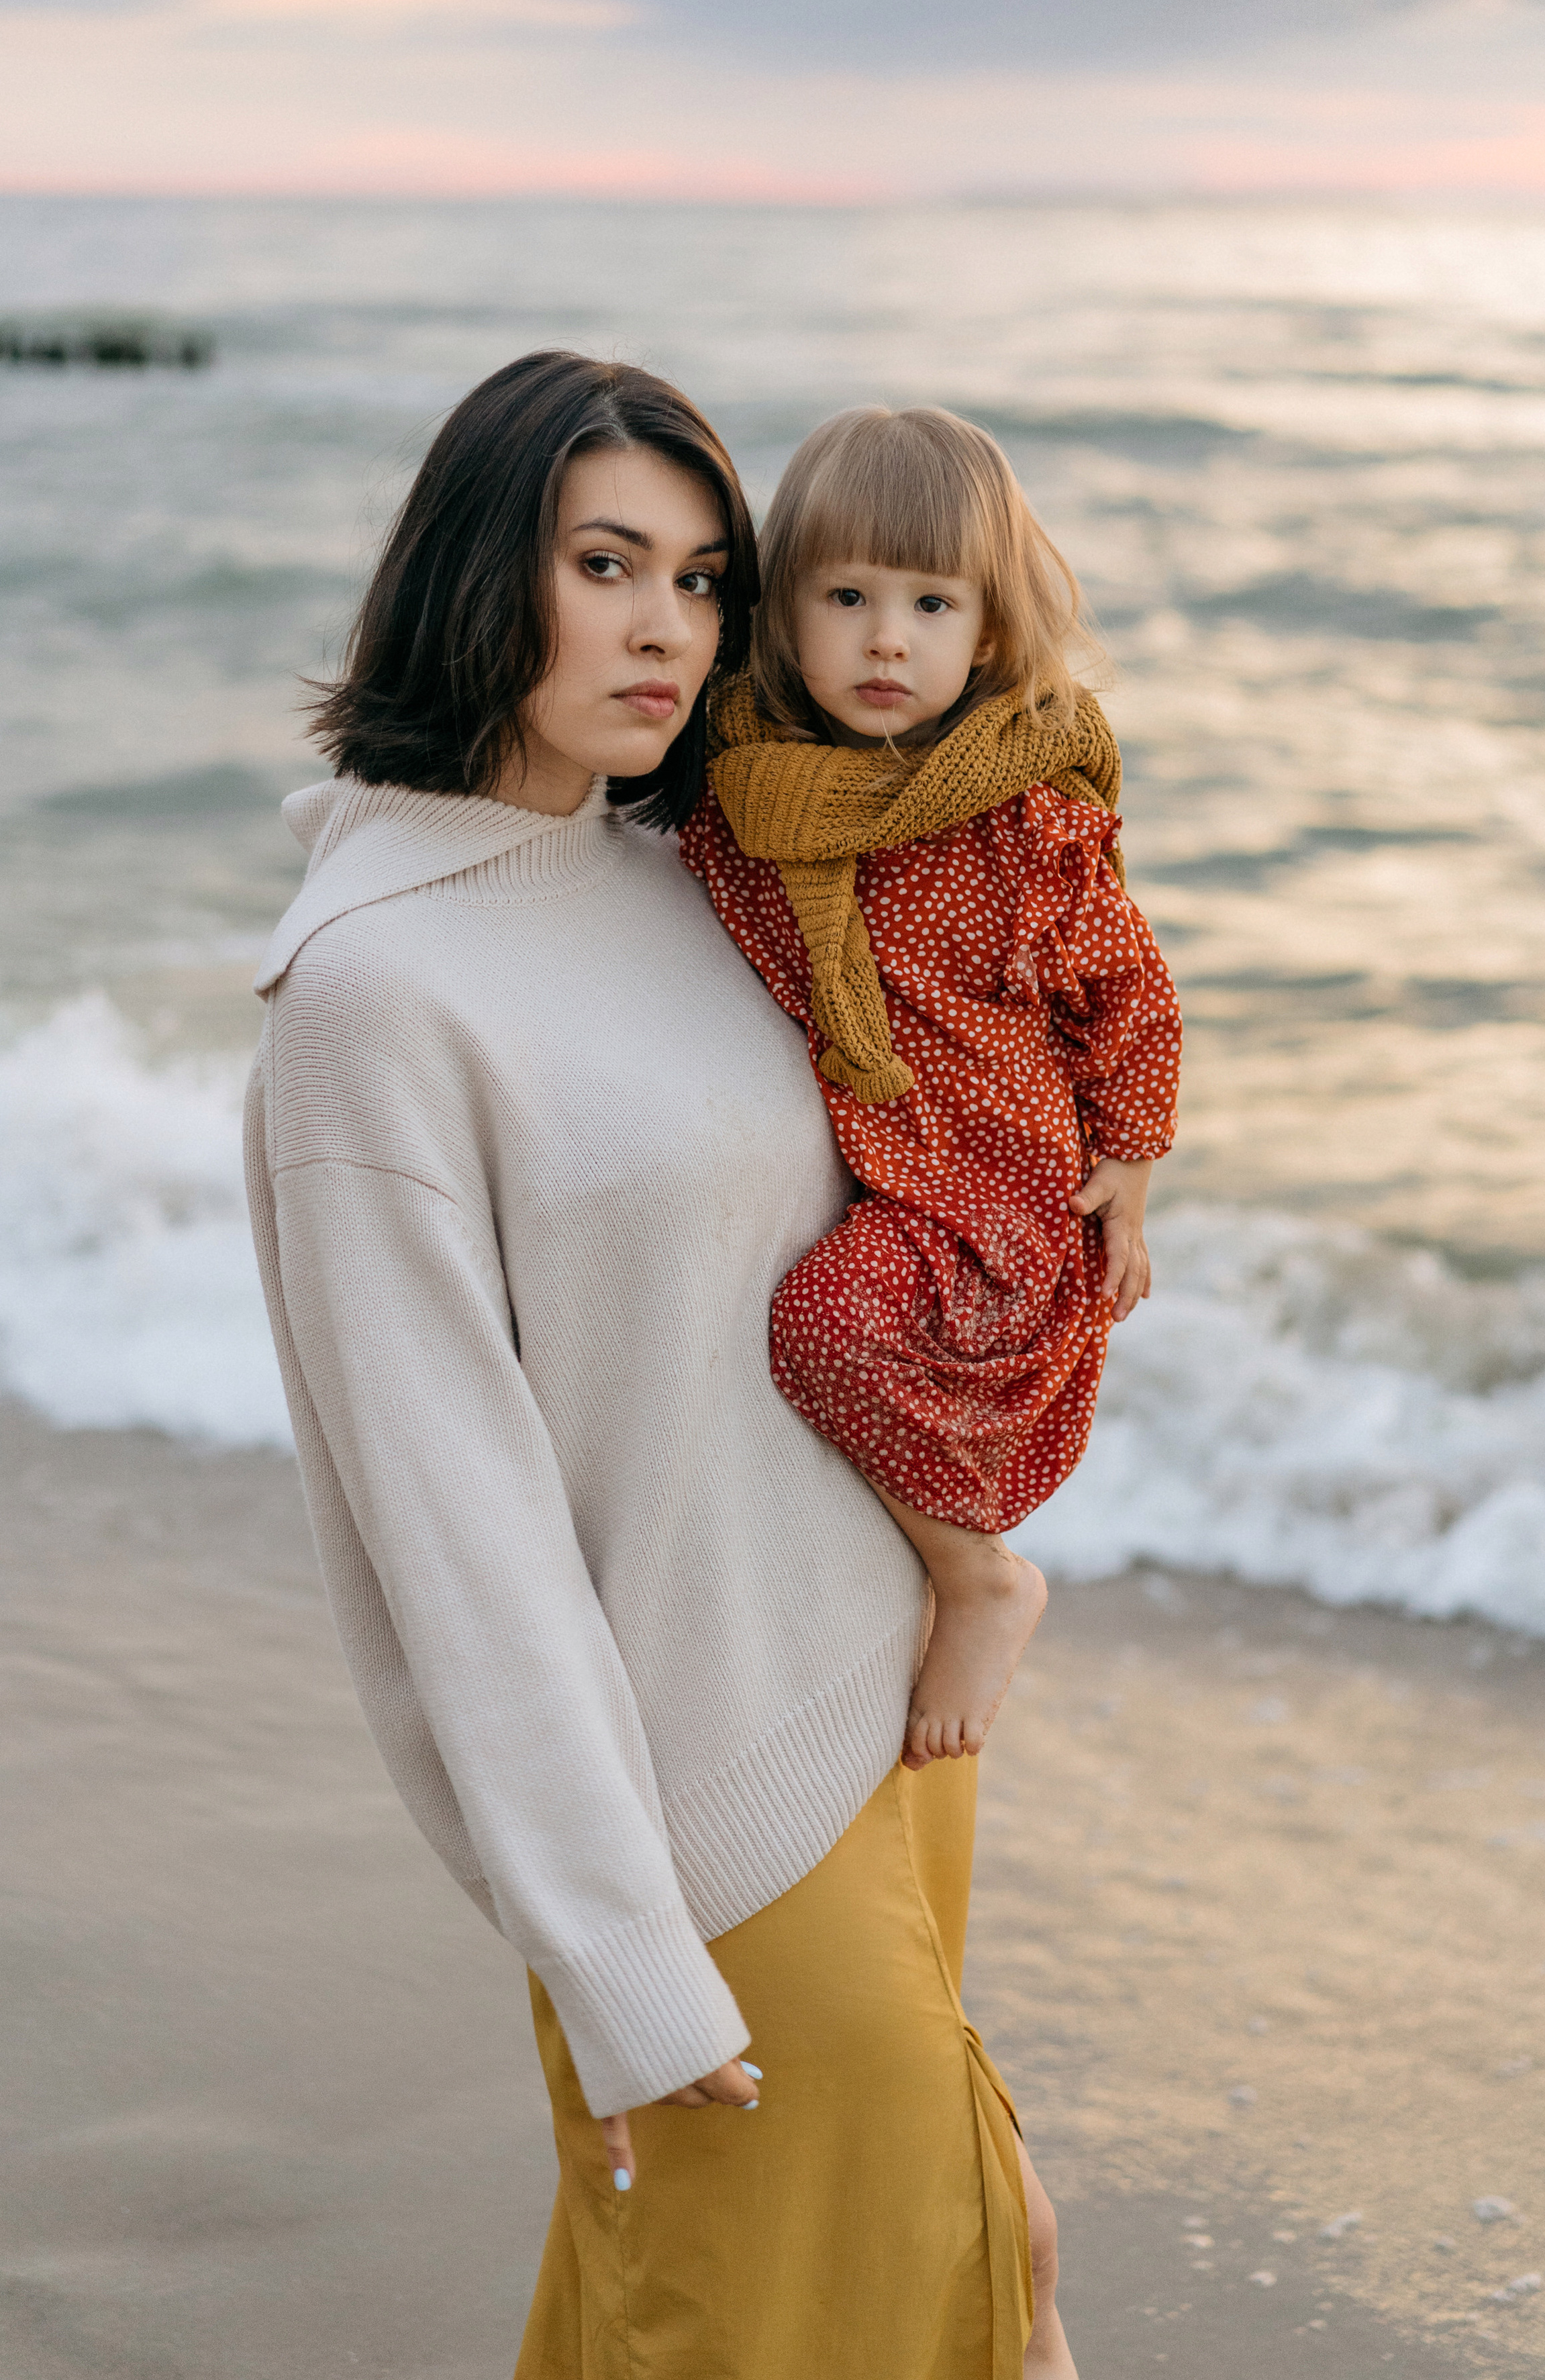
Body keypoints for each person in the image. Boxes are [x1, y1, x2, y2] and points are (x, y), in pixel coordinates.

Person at [245, 353, 1077, 2375]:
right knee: (850, 2313)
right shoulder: (372, 995)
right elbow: (457, 1541)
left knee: (787, 2302)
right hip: (686, 1794)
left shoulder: (708, 876)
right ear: (471, 576)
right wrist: (610, 1946)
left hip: (895, 1709)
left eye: (706, 580)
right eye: (604, 564)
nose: (663, 629)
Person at [681, 405, 1181, 1768]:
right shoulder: (753, 790)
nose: (885, 638)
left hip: (997, 1177)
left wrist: (1128, 1172)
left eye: (926, 601)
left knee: (823, 1321)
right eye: (844, 597)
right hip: (889, 1163)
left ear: (985, 626)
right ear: (782, 616)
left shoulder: (1016, 811)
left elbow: (1127, 990)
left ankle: (980, 1577)